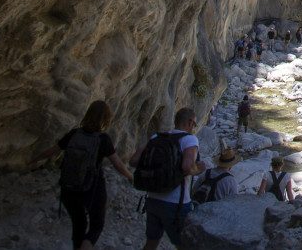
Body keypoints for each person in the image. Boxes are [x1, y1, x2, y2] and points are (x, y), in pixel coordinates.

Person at [30, 99, 133, 250]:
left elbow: (52, 150)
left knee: (79, 226)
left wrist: (34, 159)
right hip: (92, 188)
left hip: (69, 188)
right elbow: (117, 163)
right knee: (96, 226)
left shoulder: (74, 134)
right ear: (106, 119)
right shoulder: (102, 139)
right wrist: (131, 176)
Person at [129, 107, 206, 250]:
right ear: (189, 122)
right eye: (194, 124)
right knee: (183, 245)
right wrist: (199, 169)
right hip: (176, 203)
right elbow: (187, 167)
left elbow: (133, 161)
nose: (194, 127)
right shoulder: (190, 139)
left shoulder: (156, 137)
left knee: (151, 242)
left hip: (152, 199)